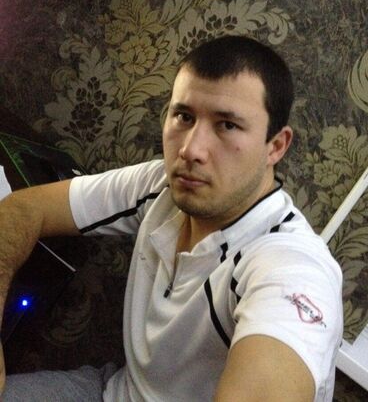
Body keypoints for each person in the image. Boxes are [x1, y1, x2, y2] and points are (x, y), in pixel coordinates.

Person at [0, 35, 343, 401]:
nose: (191, 150)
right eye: (184, 116)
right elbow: (24, 208)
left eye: (227, 125)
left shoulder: (291, 266)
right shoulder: (159, 184)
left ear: (276, 146)